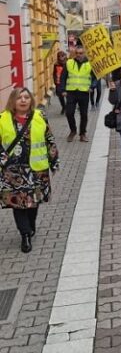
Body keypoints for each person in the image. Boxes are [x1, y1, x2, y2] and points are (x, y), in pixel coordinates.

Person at [0, 87, 59, 253]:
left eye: (26, 97)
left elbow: (49, 140)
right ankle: (25, 235)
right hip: (13, 171)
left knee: (33, 202)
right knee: (18, 203)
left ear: (31, 101)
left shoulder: (39, 117)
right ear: (13, 101)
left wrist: (54, 161)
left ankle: (31, 224)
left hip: (37, 169)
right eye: (20, 98)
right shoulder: (2, 119)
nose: (23, 100)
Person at [60, 45, 92, 142]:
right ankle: (73, 131)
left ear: (84, 53)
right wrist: (63, 90)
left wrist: (92, 87)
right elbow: (63, 77)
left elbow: (96, 78)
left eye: (81, 53)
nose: (78, 55)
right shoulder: (69, 63)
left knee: (84, 114)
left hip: (84, 92)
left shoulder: (90, 64)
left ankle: (82, 134)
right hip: (71, 92)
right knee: (69, 113)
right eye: (77, 53)